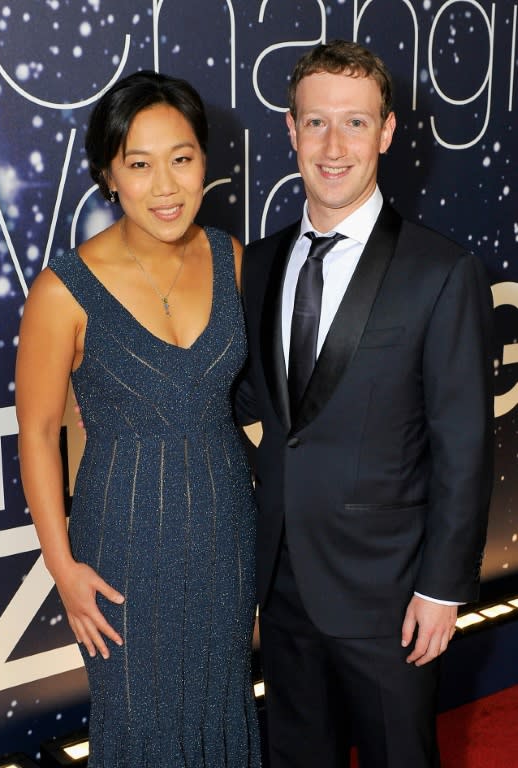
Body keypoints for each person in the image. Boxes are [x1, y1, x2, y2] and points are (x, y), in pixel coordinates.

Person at [236, 40, 494, 768]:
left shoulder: (441, 272)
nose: (333, 145)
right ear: (290, 130)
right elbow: (261, 404)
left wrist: (442, 590)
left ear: (385, 132)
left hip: (391, 597)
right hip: (283, 585)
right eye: (316, 123)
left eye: (355, 123)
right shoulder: (257, 263)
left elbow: (463, 444)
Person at [16, 71, 261, 768]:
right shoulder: (63, 289)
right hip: (122, 542)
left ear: (204, 163)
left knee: (221, 705)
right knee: (139, 722)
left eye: (182, 160)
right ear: (108, 175)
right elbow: (36, 432)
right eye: (140, 164)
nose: (165, 187)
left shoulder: (231, 259)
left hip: (222, 530)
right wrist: (63, 568)